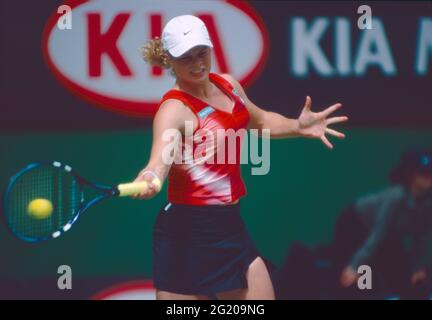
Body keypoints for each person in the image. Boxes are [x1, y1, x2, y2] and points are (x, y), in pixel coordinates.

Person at [133, 15, 348, 300]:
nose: (197, 64)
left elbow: (260, 121)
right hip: (186, 232)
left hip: (228, 224)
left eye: (202, 53)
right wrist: (150, 178)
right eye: (186, 58)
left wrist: (297, 126)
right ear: (170, 60)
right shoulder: (174, 110)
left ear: (211, 49)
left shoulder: (228, 86)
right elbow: (158, 161)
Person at [334, 149, 432, 299]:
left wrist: (417, 267)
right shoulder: (396, 196)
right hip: (356, 223)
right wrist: (355, 265)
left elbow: (421, 237)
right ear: (411, 175)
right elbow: (378, 233)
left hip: (387, 234)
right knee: (359, 276)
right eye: (424, 173)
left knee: (405, 275)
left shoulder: (427, 203)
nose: (429, 178)